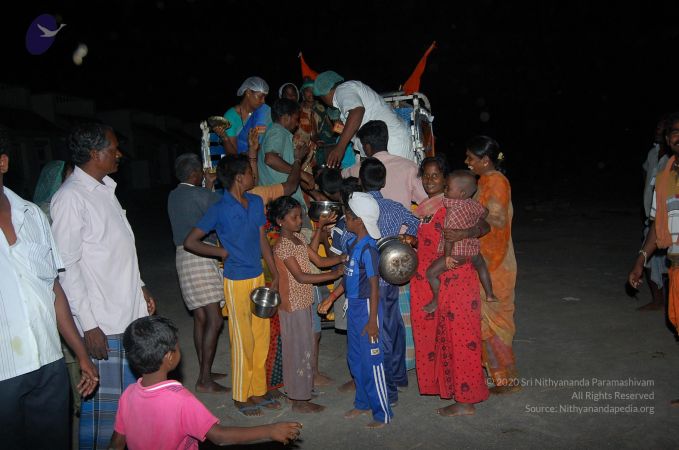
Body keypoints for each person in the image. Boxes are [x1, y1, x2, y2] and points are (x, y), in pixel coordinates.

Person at [51, 123, 157, 449]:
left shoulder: (105, 190)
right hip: (104, 323)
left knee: (131, 406)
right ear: (95, 154)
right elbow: (66, 268)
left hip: (128, 315)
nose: (119, 154)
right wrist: (89, 325)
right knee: (105, 416)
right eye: (113, 149)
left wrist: (140, 287)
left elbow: (118, 249)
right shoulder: (71, 198)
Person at [0, 125, 99, 450]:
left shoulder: (33, 216)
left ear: (3, 162)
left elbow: (54, 290)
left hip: (49, 363)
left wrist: (81, 354)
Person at [109, 316, 302, 450]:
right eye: (177, 345)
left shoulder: (128, 394)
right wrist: (270, 430)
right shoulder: (180, 400)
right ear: (169, 357)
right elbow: (219, 436)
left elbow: (117, 443)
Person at [183, 154, 281, 417]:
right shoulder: (219, 208)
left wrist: (275, 273)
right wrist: (220, 252)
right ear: (239, 178)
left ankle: (258, 389)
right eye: (249, 172)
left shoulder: (256, 202)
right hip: (236, 280)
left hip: (257, 276)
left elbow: (262, 240)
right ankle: (241, 395)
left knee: (261, 336)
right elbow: (191, 241)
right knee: (242, 339)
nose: (253, 176)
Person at [410, 156, 490, 416]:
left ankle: (466, 400)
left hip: (456, 278)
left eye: (435, 175)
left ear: (446, 179)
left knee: (462, 339)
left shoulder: (455, 204)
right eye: (425, 175)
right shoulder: (425, 208)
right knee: (440, 339)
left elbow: (484, 224)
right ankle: (449, 389)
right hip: (432, 281)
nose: (429, 180)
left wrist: (465, 234)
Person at [268, 196, 344, 413]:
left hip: (305, 301)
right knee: (297, 350)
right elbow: (301, 277)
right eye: (294, 218)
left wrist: (343, 258)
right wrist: (334, 274)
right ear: (280, 221)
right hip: (292, 304)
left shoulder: (298, 238)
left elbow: (318, 261)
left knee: (305, 348)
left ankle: (302, 390)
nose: (299, 221)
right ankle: (298, 400)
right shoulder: (283, 246)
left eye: (299, 216)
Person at [628, 112, 679, 406]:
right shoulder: (665, 176)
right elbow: (657, 224)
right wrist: (641, 259)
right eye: (674, 132)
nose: (677, 136)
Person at [462, 135, 520, 395]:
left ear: (485, 160)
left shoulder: (495, 181)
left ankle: (507, 380)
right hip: (487, 262)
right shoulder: (485, 180)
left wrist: (464, 232)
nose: (467, 162)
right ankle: (498, 376)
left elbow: (495, 222)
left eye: (471, 158)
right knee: (485, 322)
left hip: (495, 265)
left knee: (495, 323)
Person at [360, 157, 420, 400]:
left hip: (371, 280)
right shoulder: (394, 207)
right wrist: (406, 240)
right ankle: (399, 377)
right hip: (392, 275)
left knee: (380, 333)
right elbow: (415, 223)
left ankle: (389, 389)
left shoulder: (359, 209)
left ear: (361, 182)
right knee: (394, 328)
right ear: (383, 181)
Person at [167, 153, 227, 393]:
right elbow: (219, 206)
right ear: (195, 174)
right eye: (201, 171)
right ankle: (204, 379)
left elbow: (199, 209)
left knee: (201, 317)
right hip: (200, 256)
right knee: (215, 318)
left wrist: (207, 186)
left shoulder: (174, 195)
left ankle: (205, 370)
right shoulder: (200, 195)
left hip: (183, 256)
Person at [341, 192, 394, 428]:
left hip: (367, 308)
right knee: (356, 358)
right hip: (353, 307)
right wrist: (332, 297)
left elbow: (374, 287)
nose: (345, 220)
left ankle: (382, 413)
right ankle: (362, 403)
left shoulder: (369, 250)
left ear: (359, 221)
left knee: (372, 361)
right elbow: (348, 277)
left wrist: (373, 321)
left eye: (347, 217)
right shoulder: (354, 244)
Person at [424, 170, 498, 314]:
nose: (445, 190)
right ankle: (490, 294)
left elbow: (450, 237)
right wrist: (473, 220)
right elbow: (485, 213)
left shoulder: (453, 211)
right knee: (481, 266)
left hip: (457, 252)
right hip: (473, 250)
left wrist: (447, 256)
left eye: (448, 188)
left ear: (462, 193)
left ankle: (436, 300)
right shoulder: (472, 203)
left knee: (431, 273)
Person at [312, 70, 415, 167]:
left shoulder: (343, 90)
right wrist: (336, 119)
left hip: (391, 143)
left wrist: (339, 147)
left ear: (323, 95)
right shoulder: (345, 98)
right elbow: (345, 130)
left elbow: (357, 112)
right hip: (384, 145)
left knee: (397, 179)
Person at [343, 120, 427, 209]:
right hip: (402, 217)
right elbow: (426, 200)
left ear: (367, 147)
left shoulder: (358, 169)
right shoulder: (410, 167)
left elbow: (339, 177)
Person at [258, 98, 315, 215]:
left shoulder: (275, 131)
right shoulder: (278, 131)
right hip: (282, 205)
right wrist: (302, 174)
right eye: (296, 118)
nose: (297, 123)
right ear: (285, 117)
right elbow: (270, 159)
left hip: (280, 202)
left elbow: (285, 170)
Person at [638, 117, 670, 311]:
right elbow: (646, 173)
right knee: (648, 258)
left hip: (671, 220)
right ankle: (658, 300)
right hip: (653, 217)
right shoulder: (653, 153)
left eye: (663, 128)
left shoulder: (673, 160)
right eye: (657, 127)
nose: (658, 131)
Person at [221, 76, 272, 156]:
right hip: (242, 160)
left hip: (262, 157)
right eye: (260, 97)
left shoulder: (263, 112)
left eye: (264, 97)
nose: (263, 101)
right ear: (248, 93)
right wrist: (251, 153)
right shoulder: (231, 116)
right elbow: (233, 154)